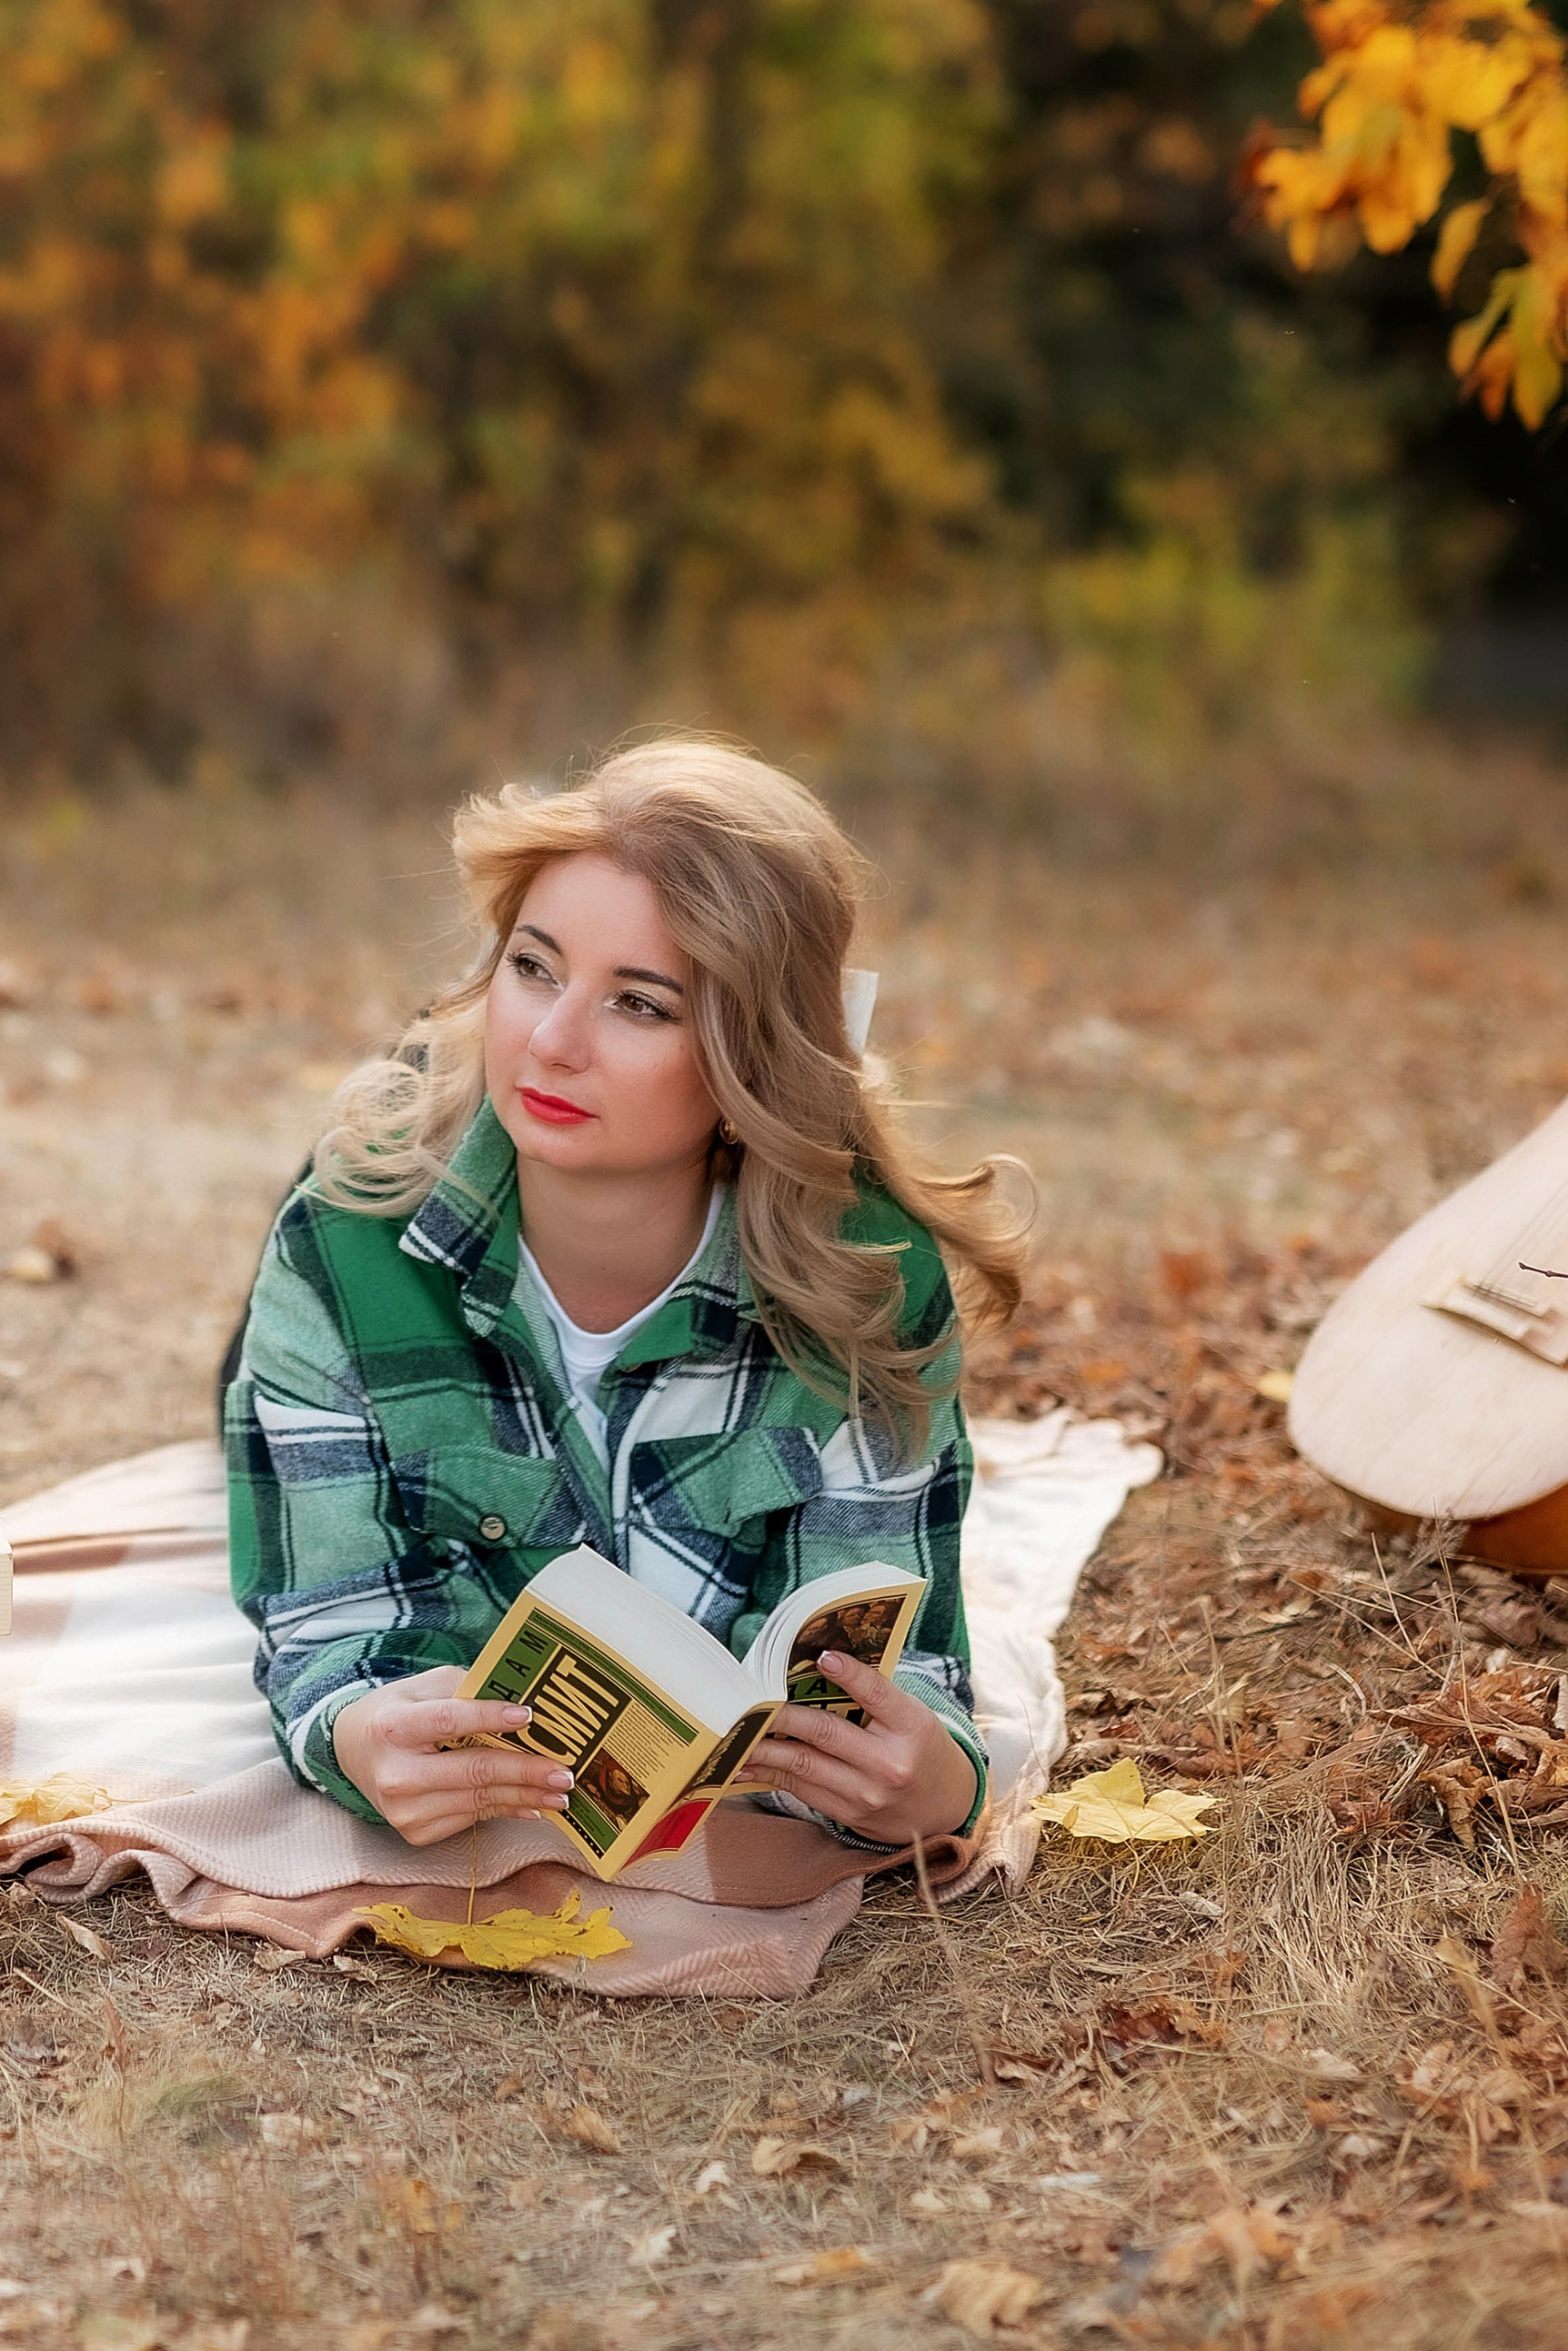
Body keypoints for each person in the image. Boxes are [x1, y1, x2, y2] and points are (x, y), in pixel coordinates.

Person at [223, 737, 1029, 1854]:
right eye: (533, 967)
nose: (550, 1043)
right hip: (407, 1287)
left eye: (639, 1005)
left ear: (752, 1058)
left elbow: (897, 1671)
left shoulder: (868, 1283)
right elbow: (332, 1625)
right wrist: (358, 1730)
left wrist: (928, 1781)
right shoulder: (343, 1242)